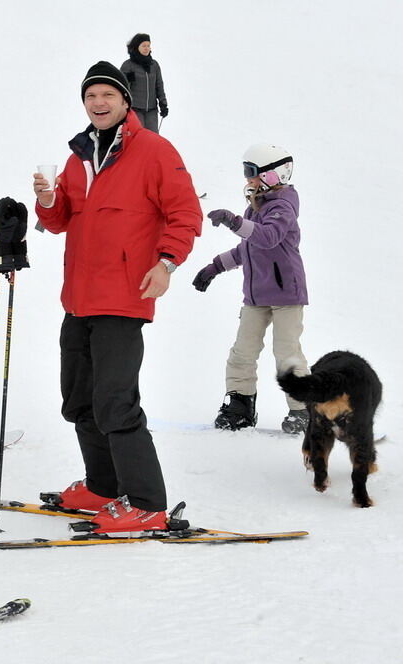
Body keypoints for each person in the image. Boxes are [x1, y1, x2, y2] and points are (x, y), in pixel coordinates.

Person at [33, 61, 201, 533]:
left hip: (124, 295)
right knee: (80, 400)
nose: (99, 103)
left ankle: (147, 503)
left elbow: (186, 213)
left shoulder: (154, 150)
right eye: (91, 96)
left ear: (126, 101)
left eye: (108, 95)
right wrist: (47, 201)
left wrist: (166, 264)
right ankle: (104, 487)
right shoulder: (79, 155)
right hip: (79, 298)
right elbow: (60, 220)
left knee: (115, 401)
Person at [192, 144, 309, 434]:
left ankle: (303, 410)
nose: (248, 178)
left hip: (286, 294)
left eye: (252, 172)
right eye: (246, 172)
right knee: (242, 352)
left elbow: (267, 237)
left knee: (287, 353)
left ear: (272, 174)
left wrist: (233, 221)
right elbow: (247, 249)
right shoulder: (256, 207)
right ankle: (240, 406)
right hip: (256, 297)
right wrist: (214, 268)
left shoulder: (282, 207)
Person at [120, 33, 168, 133]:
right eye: (144, 46)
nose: (147, 48)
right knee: (138, 135)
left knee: (153, 137)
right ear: (137, 47)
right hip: (135, 109)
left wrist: (163, 104)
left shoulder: (154, 65)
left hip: (152, 110)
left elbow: (159, 85)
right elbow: (121, 89)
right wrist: (128, 80)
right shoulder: (128, 65)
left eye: (148, 45)